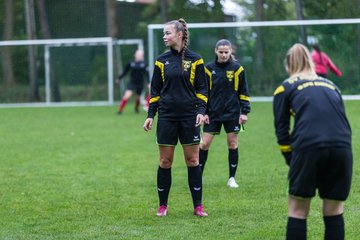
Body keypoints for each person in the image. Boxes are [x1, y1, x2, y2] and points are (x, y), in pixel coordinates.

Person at [273, 43, 352, 239]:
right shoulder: (332, 86)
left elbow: (282, 130)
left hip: (309, 145)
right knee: (334, 210)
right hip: (342, 146)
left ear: (288, 65)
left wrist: (291, 158)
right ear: (311, 61)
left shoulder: (285, 87)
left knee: (298, 210)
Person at [143, 18, 208, 217]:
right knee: (165, 162)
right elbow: (155, 90)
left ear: (179, 34)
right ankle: (163, 206)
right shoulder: (161, 60)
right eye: (163, 33)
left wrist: (201, 111)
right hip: (167, 117)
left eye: (168, 33)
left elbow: (202, 88)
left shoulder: (196, 59)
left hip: (189, 117)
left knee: (193, 160)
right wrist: (150, 115)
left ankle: (198, 207)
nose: (164, 36)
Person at [199, 39, 250, 188]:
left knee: (232, 144)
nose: (223, 55)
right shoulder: (208, 68)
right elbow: (203, 92)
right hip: (212, 114)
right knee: (204, 144)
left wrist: (244, 112)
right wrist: (204, 112)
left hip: (232, 113)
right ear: (216, 51)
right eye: (220, 52)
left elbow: (243, 91)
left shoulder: (237, 69)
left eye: (226, 52)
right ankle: (199, 176)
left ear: (230, 52)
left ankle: (232, 178)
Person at [117, 49, 149, 114]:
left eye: (141, 55)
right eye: (138, 54)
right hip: (132, 83)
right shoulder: (131, 63)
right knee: (127, 95)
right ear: (135, 55)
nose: (140, 56)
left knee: (138, 98)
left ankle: (136, 108)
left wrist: (149, 82)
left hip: (140, 83)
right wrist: (119, 78)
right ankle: (120, 110)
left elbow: (147, 74)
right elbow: (125, 72)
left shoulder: (144, 64)